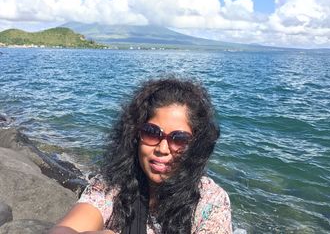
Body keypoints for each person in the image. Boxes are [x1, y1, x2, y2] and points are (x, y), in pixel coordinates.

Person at [49, 78, 232, 234]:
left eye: (179, 138)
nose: (162, 148)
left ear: (196, 145)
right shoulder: (112, 186)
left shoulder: (210, 200)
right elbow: (68, 227)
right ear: (135, 135)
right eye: (152, 132)